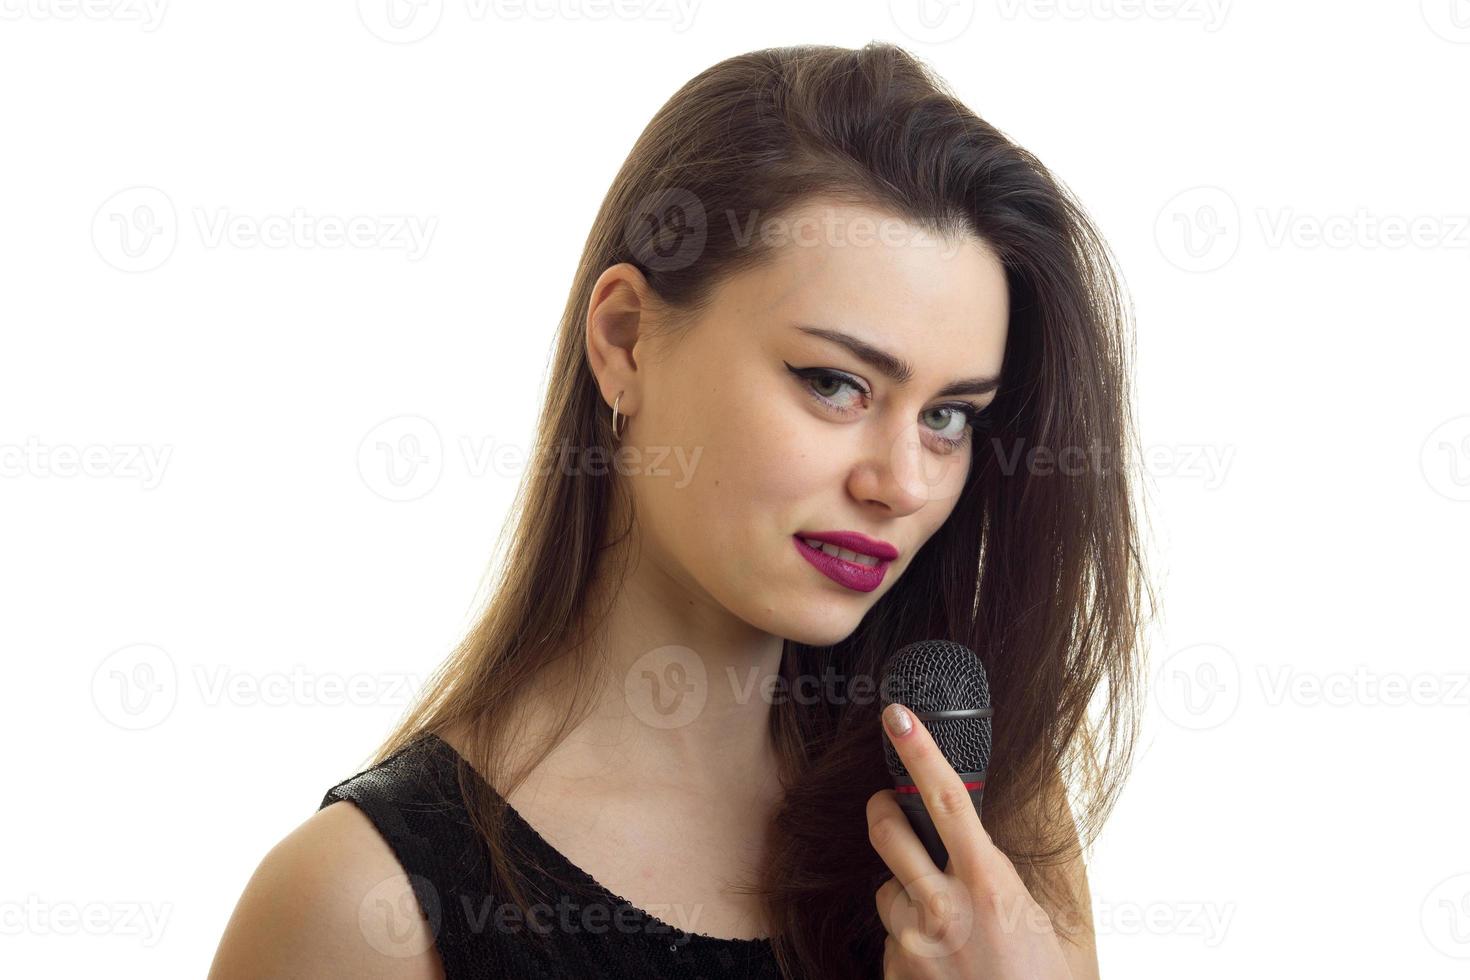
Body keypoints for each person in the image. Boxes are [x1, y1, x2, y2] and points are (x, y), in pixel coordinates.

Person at [208, 40, 1150, 979]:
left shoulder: (976, 822)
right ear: (625, 339)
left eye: (948, 416)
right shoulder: (353, 910)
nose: (901, 483)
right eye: (835, 383)